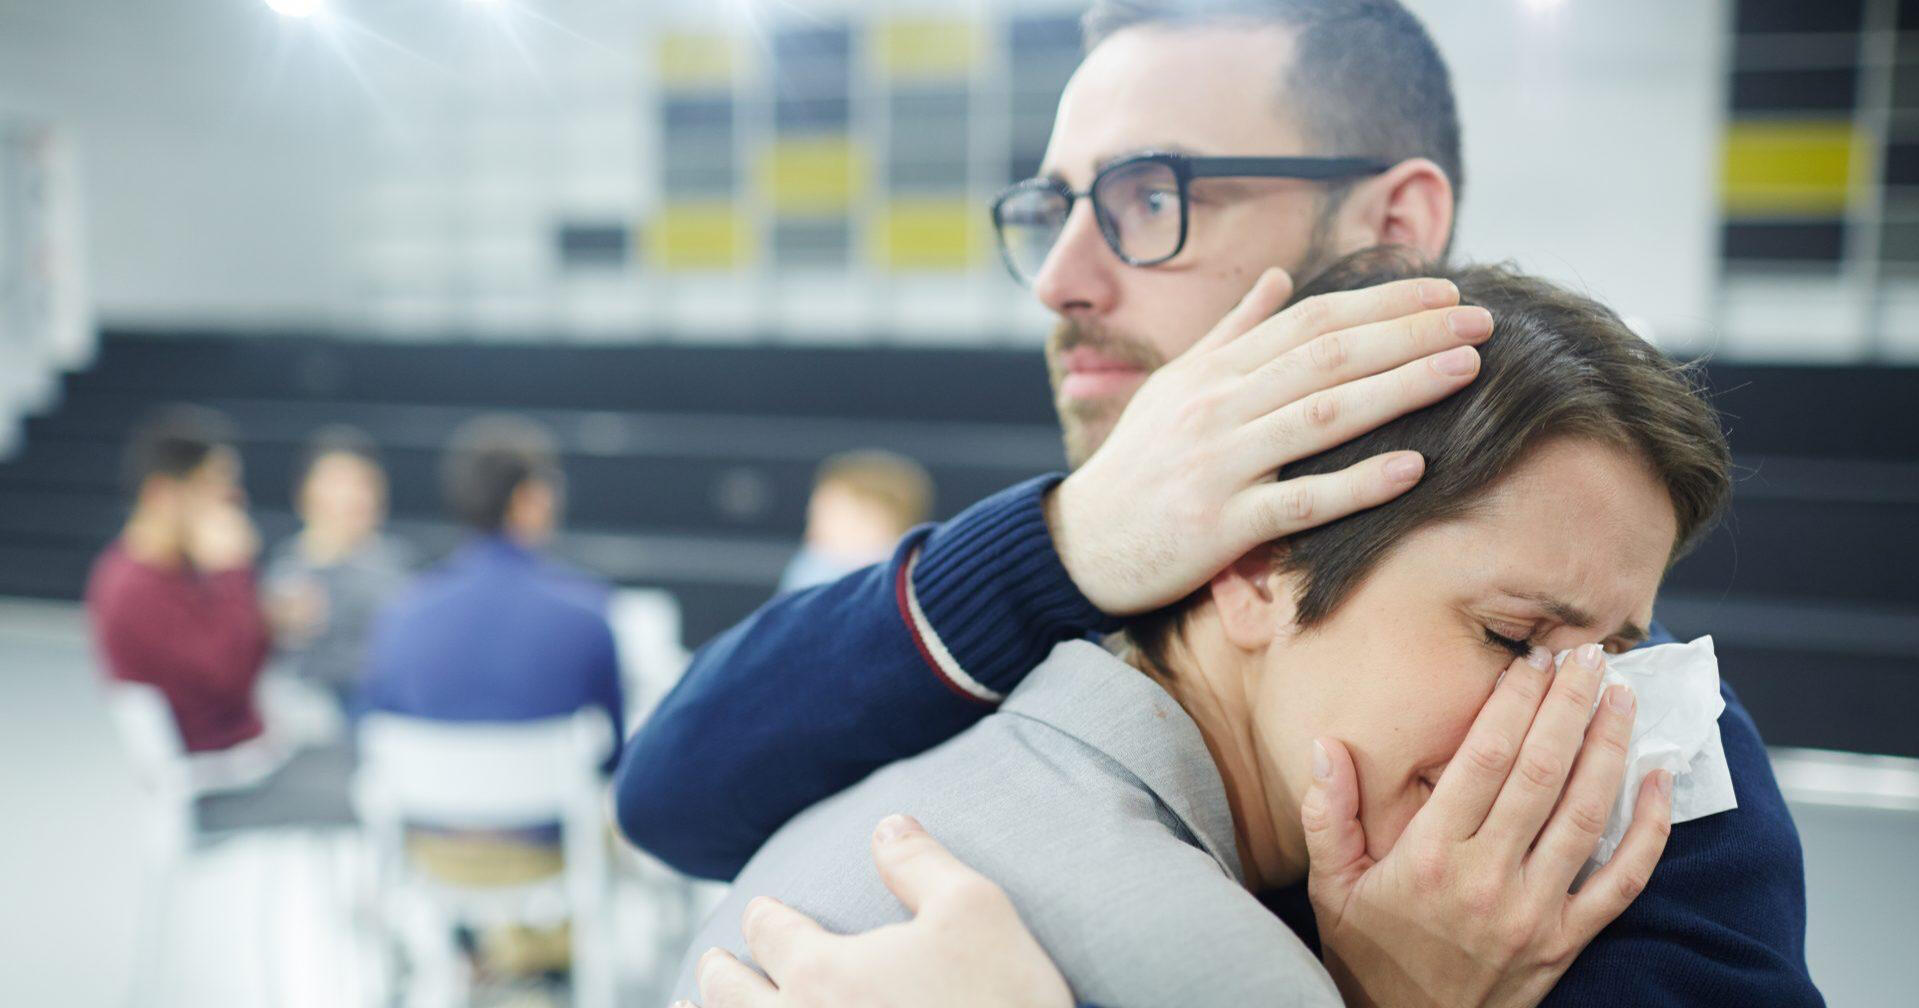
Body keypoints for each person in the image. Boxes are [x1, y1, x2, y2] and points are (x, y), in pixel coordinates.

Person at [621, 1, 1819, 1004]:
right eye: (1050, 208)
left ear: (1391, 230)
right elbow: (674, 796)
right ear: (1249, 578)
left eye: (1152, 198)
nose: (1059, 278)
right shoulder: (1079, 601)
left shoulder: (1619, 758)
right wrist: (1059, 547)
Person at [674, 255, 1719, 1007]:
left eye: (1615, 659)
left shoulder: (896, 788)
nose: (1561, 728)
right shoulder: (1220, 966)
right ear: (1257, 569)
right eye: (1509, 637)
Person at [360, 414, 625, 980]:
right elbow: (613, 756)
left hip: (431, 848)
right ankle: (527, 957)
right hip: (547, 850)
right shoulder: (586, 613)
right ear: (529, 499)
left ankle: (494, 957)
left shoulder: (401, 613)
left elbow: (373, 726)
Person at [87, 404, 271, 754]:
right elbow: (229, 682)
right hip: (219, 764)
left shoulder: (171, 569)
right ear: (163, 495)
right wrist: (233, 572)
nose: (231, 501)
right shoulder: (136, 587)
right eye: (214, 486)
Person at [263, 425, 411, 711]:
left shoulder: (397, 568)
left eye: (360, 484)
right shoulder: (284, 564)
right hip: (292, 703)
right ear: (305, 492)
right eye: (335, 483)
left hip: (367, 705)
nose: (347, 497)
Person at [779, 450, 935, 593]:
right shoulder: (812, 565)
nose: (814, 530)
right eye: (814, 517)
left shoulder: (896, 580)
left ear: (876, 524)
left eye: (833, 516)